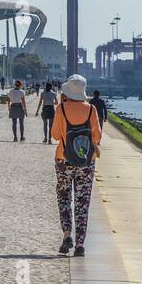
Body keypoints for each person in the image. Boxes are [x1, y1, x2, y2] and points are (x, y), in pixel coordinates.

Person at [52, 74, 102, 256]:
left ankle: (67, 235)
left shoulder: (61, 109)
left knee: (64, 197)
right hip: (86, 162)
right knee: (83, 202)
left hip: (63, 159)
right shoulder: (91, 110)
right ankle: (80, 244)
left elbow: (56, 136)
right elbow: (96, 137)